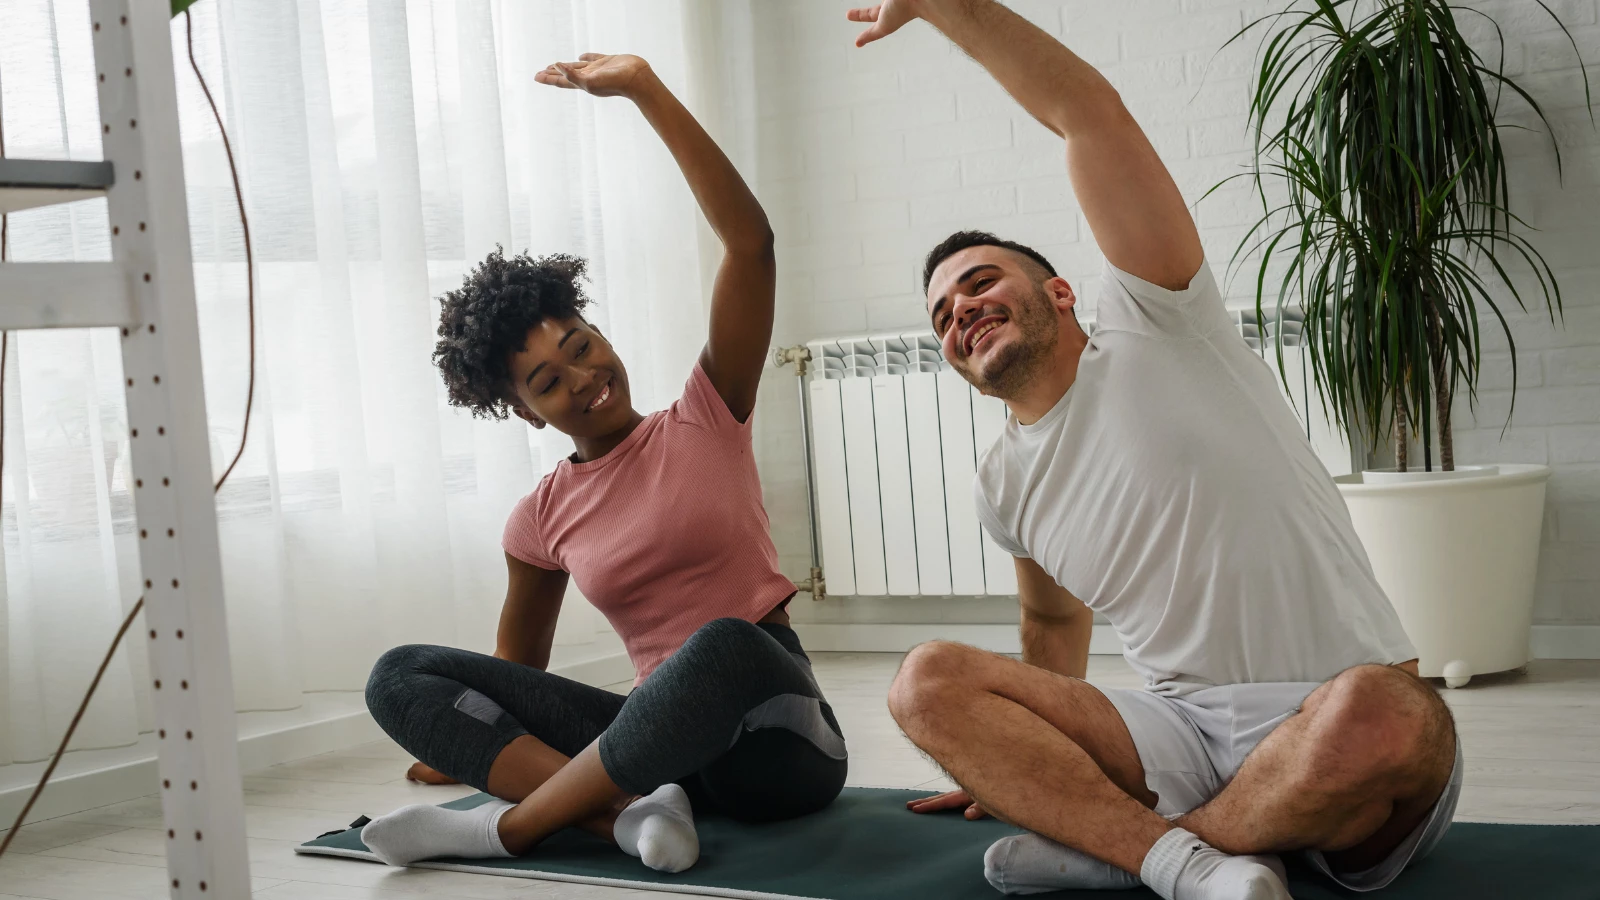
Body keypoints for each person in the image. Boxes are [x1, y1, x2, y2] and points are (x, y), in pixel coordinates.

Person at [847, 3, 1461, 899]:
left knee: (1390, 711)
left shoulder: (1159, 320)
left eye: (980, 282)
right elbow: (1054, 625)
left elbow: (1088, 112)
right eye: (942, 314)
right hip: (1180, 735)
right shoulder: (1002, 480)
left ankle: (1136, 854)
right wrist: (1021, 756)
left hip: (1333, 716)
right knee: (924, 681)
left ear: (1058, 293)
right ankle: (1185, 862)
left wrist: (944, 5)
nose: (961, 310)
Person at [358, 52, 846, 874]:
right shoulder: (538, 517)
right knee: (398, 676)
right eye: (550, 381)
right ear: (522, 410)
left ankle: (504, 833)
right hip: (660, 752)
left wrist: (644, 91)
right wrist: (466, 742)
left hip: (775, 737)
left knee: (721, 643)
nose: (585, 380)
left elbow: (750, 244)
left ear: (601, 332)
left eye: (584, 348)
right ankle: (624, 816)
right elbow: (516, 673)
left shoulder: (706, 412)